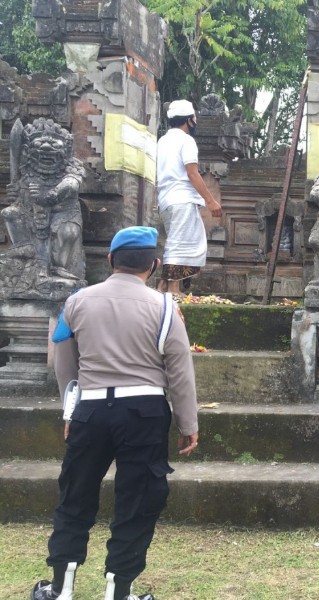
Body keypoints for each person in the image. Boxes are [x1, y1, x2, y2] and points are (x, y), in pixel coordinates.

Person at [32, 226, 199, 600]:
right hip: (144, 411)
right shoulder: (166, 308)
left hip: (91, 410)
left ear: (110, 260)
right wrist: (188, 423)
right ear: (153, 266)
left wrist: (70, 413)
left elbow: (64, 363)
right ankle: (118, 590)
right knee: (137, 500)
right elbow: (179, 370)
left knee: (75, 495)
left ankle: (61, 587)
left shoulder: (76, 302)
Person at [156, 99, 222, 296]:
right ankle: (173, 289)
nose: (196, 121)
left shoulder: (163, 140)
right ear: (189, 120)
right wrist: (211, 201)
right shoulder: (186, 141)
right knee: (179, 243)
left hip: (166, 199)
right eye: (194, 118)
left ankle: (164, 287)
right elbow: (192, 173)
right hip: (182, 198)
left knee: (177, 241)